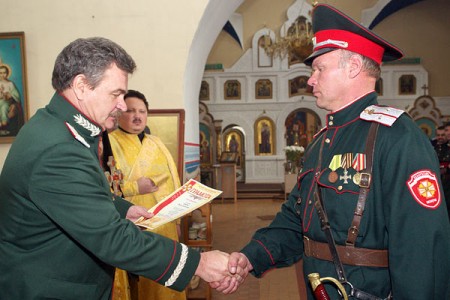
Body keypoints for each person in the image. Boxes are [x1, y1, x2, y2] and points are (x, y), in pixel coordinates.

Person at [222, 4, 450, 299]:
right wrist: (252, 255)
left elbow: (422, 248)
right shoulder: (321, 141)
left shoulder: (397, 137)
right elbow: (296, 219)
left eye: (319, 68)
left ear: (353, 67)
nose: (310, 79)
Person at [0, 37, 244, 299]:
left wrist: (124, 209)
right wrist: (200, 264)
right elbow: (113, 240)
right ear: (82, 85)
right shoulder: (58, 149)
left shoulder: (53, 125)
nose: (122, 105)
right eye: (116, 94)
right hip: (49, 289)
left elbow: (79, 195)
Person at [108, 89, 186, 300]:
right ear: (120, 112)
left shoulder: (156, 142)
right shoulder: (110, 142)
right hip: (135, 225)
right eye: (132, 110)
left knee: (168, 281)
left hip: (166, 224)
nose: (137, 116)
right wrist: (134, 187)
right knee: (142, 284)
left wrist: (178, 222)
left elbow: (174, 178)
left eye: (142, 111)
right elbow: (105, 186)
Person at [0, 64, 23, 135]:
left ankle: (3, 123)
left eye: (4, 73)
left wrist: (9, 95)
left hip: (7, 101)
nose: (3, 75)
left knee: (4, 107)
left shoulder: (10, 84)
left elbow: (17, 96)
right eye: (1, 73)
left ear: (7, 73)